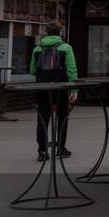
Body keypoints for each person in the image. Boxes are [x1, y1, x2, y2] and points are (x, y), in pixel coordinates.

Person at [30, 22, 78, 162]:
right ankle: (61, 148)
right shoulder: (66, 48)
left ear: (45, 32)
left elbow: (32, 70)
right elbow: (71, 69)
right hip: (61, 88)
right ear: (60, 33)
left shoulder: (37, 49)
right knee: (62, 117)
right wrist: (74, 89)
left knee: (42, 119)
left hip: (42, 88)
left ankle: (42, 151)